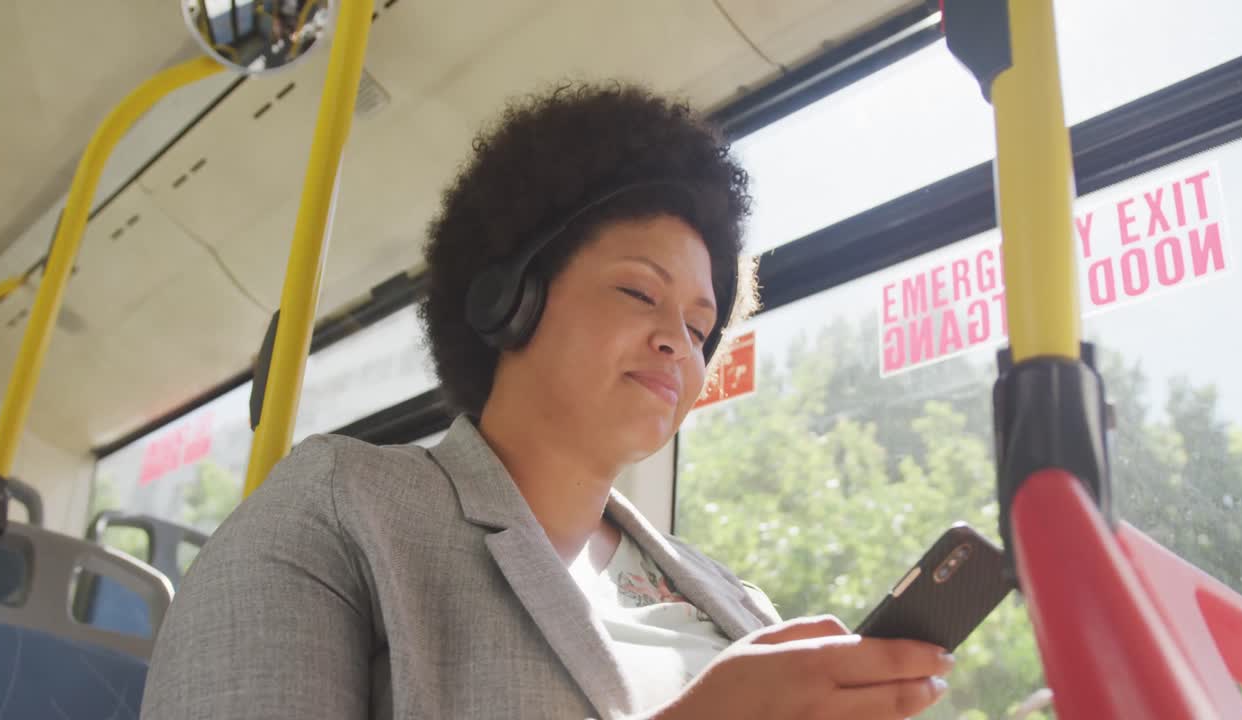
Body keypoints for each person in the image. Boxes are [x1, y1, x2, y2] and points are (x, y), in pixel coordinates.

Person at [140, 82, 954, 719]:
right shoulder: (341, 515)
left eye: (701, 324)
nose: (679, 340)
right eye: (640, 293)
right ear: (509, 302)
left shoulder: (738, 601)